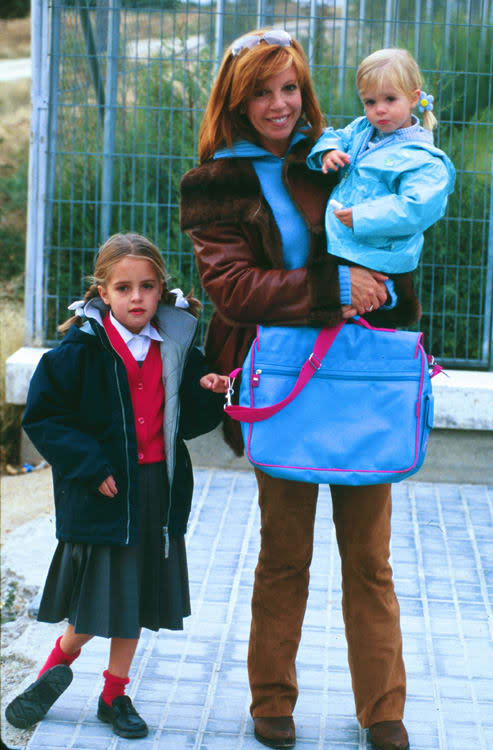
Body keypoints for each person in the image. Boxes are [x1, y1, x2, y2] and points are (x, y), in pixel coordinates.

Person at [180, 28, 418, 750]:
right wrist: (331, 286)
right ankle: (270, 702)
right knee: (285, 554)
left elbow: (392, 242)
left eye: (289, 88)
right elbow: (231, 287)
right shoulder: (214, 182)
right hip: (281, 381)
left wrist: (383, 296)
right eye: (261, 91)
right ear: (236, 99)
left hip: (357, 375)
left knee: (369, 560)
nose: (279, 104)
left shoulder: (338, 155)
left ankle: (383, 711)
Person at [5, 233, 228, 739]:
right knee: (95, 604)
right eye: (124, 287)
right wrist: (89, 465)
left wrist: (208, 390)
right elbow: (45, 417)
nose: (137, 298)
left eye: (147, 287)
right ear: (102, 292)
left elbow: (187, 423)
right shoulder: (81, 349)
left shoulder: (175, 345)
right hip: (104, 495)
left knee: (135, 600)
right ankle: (52, 671)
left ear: (160, 290)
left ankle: (114, 694)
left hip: (156, 490)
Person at [306, 47, 455, 309]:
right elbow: (335, 135)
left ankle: (384, 304)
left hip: (382, 258)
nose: (379, 110)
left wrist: (363, 217)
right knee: (339, 318)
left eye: (389, 99)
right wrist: (328, 151)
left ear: (413, 98)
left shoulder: (423, 160)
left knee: (366, 310)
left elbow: (414, 208)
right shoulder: (363, 129)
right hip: (347, 246)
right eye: (370, 102)